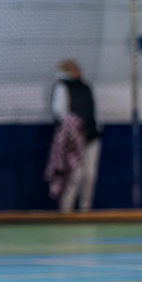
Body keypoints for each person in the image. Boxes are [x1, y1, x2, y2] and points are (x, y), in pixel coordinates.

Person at [50, 59, 101, 213]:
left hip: (91, 137)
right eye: (73, 68)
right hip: (73, 140)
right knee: (74, 174)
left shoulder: (85, 87)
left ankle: (85, 209)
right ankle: (67, 210)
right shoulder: (62, 86)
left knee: (89, 175)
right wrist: (74, 130)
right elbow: (60, 113)